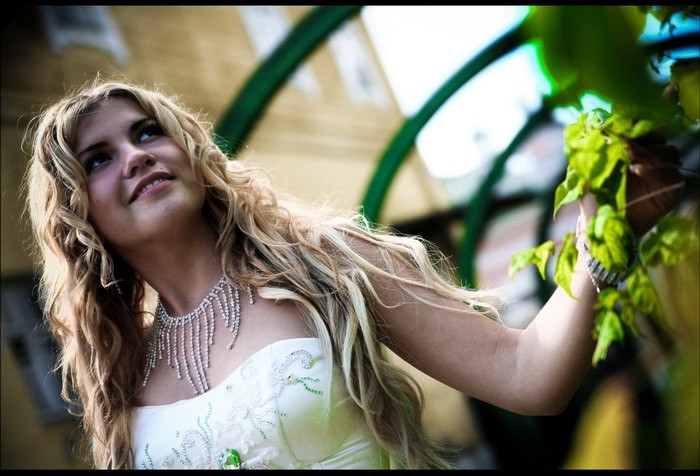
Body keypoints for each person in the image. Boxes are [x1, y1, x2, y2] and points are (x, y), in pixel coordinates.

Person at [22, 76, 682, 469]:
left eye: (147, 133)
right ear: (79, 216)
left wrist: (604, 238)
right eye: (99, 158)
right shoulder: (119, 371)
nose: (135, 156)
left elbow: (527, 375)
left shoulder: (323, 262)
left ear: (191, 153)